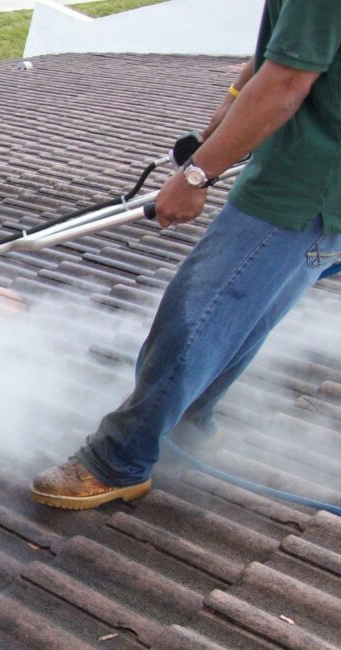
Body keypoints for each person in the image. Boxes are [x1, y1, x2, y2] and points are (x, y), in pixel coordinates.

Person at [31, 0, 341, 510]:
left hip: (304, 191)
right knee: (247, 311)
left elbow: (286, 82)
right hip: (318, 198)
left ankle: (119, 460)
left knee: (196, 313)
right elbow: (278, 54)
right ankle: (190, 423)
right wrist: (223, 116)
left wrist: (196, 176)